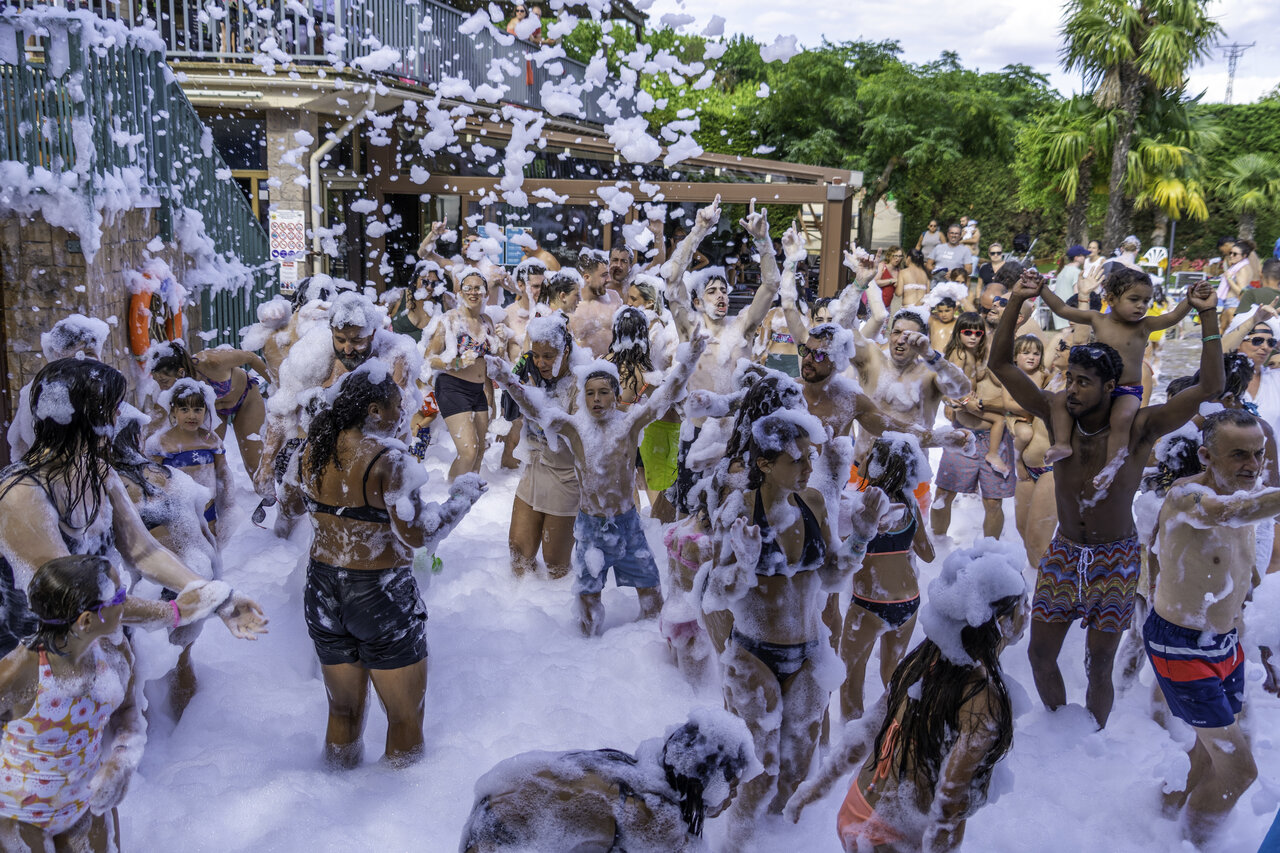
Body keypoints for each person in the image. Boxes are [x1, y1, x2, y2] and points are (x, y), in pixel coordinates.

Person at [990, 272, 1223, 727]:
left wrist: (1209, 314)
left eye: (1082, 383)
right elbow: (1001, 366)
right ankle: (1059, 730)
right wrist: (1017, 302)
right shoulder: (1058, 416)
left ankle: (1093, 737)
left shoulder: (1140, 428)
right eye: (1070, 379)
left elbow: (1209, 388)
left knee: (1099, 663)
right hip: (1065, 552)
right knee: (1040, 654)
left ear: (1111, 388)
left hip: (1115, 558)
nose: (1070, 389)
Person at [704, 412, 898, 845]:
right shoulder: (738, 509)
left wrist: (861, 538)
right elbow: (715, 592)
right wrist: (745, 568)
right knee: (761, 766)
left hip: (810, 652)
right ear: (765, 464)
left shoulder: (811, 503)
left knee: (794, 768)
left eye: (810, 459)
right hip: (753, 653)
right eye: (798, 460)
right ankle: (734, 842)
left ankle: (776, 842)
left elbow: (830, 577)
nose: (810, 469)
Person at [280, 364, 485, 768]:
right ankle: (393, 812)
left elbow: (289, 505)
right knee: (405, 717)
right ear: (373, 409)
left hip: (322, 589)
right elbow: (417, 535)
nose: (402, 413)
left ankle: (334, 795)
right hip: (380, 594)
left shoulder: (309, 450)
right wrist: (462, 499)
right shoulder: (389, 461)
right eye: (396, 406)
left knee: (343, 712)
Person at [0, 358, 267, 658]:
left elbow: (144, 552)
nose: (118, 415)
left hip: (97, 638)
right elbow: (70, 597)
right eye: (111, 407)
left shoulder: (98, 472)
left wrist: (218, 598)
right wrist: (175, 612)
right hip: (37, 658)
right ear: (83, 416)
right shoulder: (21, 494)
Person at [786, 541, 1027, 853]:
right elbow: (950, 805)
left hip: (857, 806)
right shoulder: (985, 698)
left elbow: (871, 725)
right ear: (1002, 622)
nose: (1029, 610)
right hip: (891, 834)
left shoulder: (925, 658)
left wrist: (818, 786)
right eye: (1024, 602)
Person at [489, 326, 707, 636]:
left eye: (604, 392)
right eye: (590, 392)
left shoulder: (630, 424)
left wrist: (689, 360)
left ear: (617, 396)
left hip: (628, 525)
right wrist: (507, 380)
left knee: (651, 595)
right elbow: (536, 410)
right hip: (591, 528)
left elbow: (664, 397)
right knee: (588, 605)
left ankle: (642, 657)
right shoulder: (575, 428)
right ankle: (590, 655)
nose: (596, 399)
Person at [1145, 409, 1278, 846]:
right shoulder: (1188, 497)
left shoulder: (1246, 493)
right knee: (1240, 771)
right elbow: (1227, 515)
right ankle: (1195, 844)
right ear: (1206, 454)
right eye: (1239, 454)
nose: (1253, 464)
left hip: (1223, 643)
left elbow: (1241, 571)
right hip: (1180, 646)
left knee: (1209, 752)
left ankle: (1163, 824)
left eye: (1258, 454)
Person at [0, 555, 144, 853]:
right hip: (18, 815)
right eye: (118, 596)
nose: (126, 600)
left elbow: (129, 711)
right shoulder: (21, 670)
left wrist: (120, 759)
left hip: (83, 802)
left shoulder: (115, 651)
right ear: (86, 620)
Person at [459, 710, 755, 853]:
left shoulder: (630, 769)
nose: (733, 796)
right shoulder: (655, 819)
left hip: (489, 814)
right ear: (704, 781)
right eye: (733, 784)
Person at [1038, 267, 1195, 486]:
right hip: (1098, 389)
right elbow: (1062, 308)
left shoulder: (1145, 325)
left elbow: (1174, 316)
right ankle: (1062, 443)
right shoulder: (1098, 319)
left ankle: (1112, 465)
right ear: (1111, 299)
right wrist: (1041, 288)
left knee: (1122, 418)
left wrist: (1191, 299)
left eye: (1146, 301)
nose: (1141, 306)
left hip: (1127, 390)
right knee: (1060, 400)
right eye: (1134, 299)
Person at [838, 436, 934, 723]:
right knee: (894, 674)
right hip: (908, 602)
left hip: (869, 603)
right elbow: (928, 555)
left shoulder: (861, 505)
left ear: (878, 466)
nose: (862, 459)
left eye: (868, 456)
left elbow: (843, 555)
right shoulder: (911, 504)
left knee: (851, 676)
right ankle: (900, 729)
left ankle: (852, 738)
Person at [931, 312, 1018, 538]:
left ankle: (989, 554)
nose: (973, 337)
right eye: (967, 332)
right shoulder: (959, 353)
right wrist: (960, 402)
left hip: (993, 437)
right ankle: (937, 547)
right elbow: (944, 382)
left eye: (978, 333)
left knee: (993, 502)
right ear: (958, 332)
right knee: (943, 494)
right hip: (964, 433)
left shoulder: (995, 354)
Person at [147, 339, 269, 481]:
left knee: (255, 467)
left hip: (246, 398)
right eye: (158, 382)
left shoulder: (212, 362)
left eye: (163, 381)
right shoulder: (175, 390)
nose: (162, 387)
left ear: (180, 372)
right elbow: (155, 420)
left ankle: (272, 498)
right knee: (209, 460)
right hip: (216, 412)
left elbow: (251, 357)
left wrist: (279, 387)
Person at [425, 267, 500, 482]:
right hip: (452, 388)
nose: (473, 292)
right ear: (461, 292)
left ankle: (468, 504)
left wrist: (491, 398)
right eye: (468, 288)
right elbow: (429, 358)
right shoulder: (450, 320)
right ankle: (450, 497)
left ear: (485, 293)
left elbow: (488, 364)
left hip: (479, 391)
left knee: (481, 450)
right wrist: (456, 362)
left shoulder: (487, 322)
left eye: (478, 288)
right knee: (468, 451)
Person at [6, 315, 110, 460]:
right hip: (57, 470)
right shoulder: (47, 390)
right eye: (86, 354)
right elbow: (19, 444)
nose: (96, 361)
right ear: (58, 353)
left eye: (95, 353)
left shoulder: (39, 386)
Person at [146, 379, 232, 540]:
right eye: (184, 409)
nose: (192, 415)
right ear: (173, 411)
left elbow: (223, 474)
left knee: (211, 544)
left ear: (206, 411)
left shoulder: (211, 440)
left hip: (208, 507)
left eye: (198, 409)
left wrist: (228, 506)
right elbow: (151, 483)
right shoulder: (161, 443)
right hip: (176, 510)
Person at [568, 250, 619, 358]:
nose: (609, 279)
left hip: (614, 368)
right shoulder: (572, 307)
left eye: (609, 274)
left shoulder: (614, 298)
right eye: (604, 275)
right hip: (585, 370)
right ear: (587, 277)